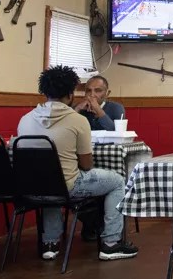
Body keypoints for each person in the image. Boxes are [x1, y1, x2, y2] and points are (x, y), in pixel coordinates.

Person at [17, 65, 137, 261]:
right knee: (117, 181)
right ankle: (111, 243)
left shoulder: (25, 119)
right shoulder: (76, 120)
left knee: (50, 181)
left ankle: (50, 244)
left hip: (34, 186)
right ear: (71, 94)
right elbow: (87, 165)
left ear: (44, 92)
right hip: (69, 186)